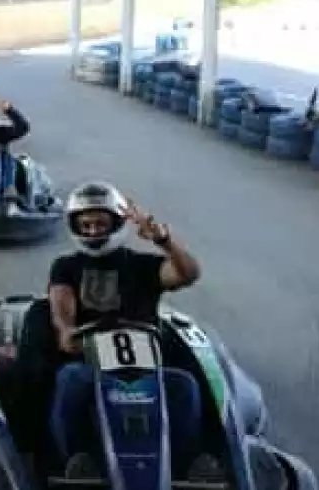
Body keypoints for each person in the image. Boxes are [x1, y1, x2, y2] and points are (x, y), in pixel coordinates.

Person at [14, 182, 203, 474]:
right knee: (70, 380)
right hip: (88, 363)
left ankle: (182, 465)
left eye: (100, 224)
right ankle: (73, 461)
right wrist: (66, 332)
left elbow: (188, 274)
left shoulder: (142, 266)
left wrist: (164, 241)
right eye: (85, 225)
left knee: (185, 386)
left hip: (145, 366)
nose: (92, 232)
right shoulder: (66, 266)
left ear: (116, 224)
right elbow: (61, 309)